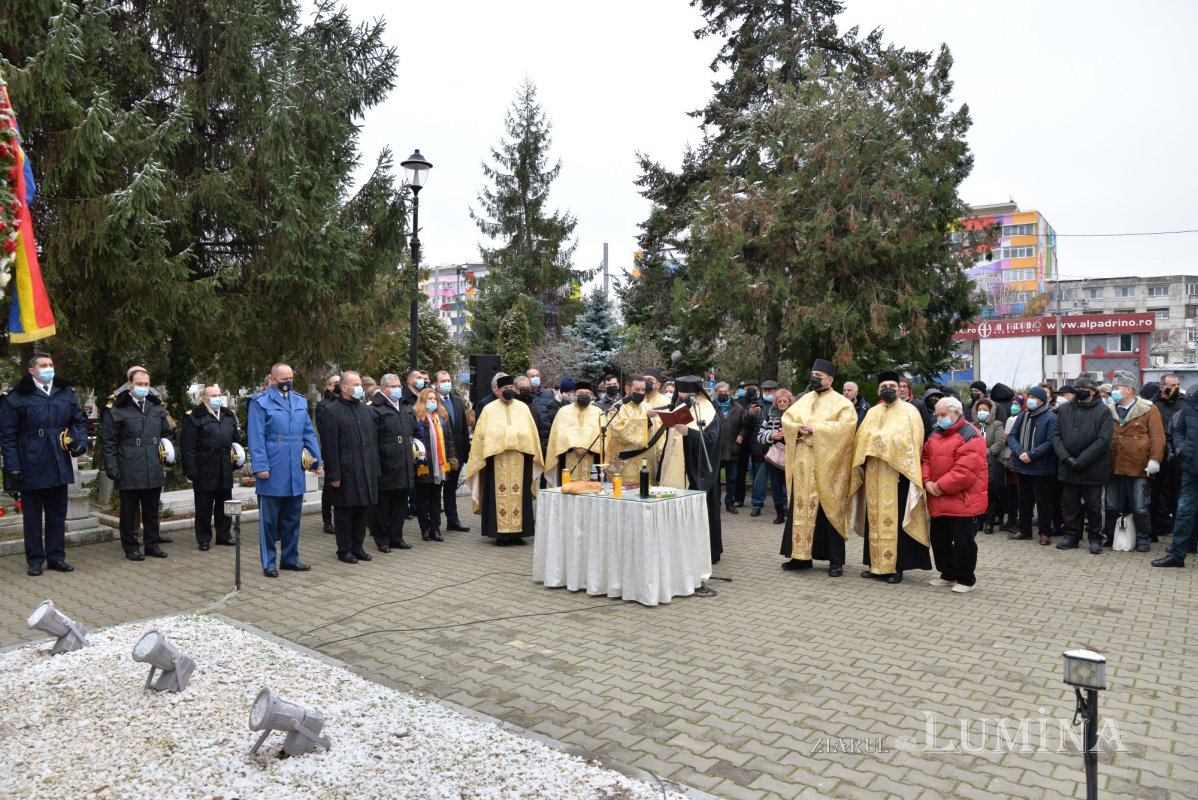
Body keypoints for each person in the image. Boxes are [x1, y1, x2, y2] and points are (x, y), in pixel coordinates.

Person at [0, 352, 89, 576]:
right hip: (31, 461)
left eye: (50, 364)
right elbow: (7, 436)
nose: (49, 368)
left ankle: (56, 557)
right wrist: (12, 466)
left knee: (57, 514)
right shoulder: (17, 397)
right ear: (32, 371)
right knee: (32, 516)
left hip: (58, 459)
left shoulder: (65, 393)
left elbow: (79, 421)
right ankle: (35, 560)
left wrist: (80, 443)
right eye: (43, 365)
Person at [850, 371, 932, 584]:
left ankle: (896, 567)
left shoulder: (910, 411)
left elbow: (913, 442)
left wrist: (881, 442)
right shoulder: (872, 412)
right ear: (878, 390)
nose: (888, 389)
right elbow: (861, 439)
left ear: (899, 389)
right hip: (874, 475)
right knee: (874, 521)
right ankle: (875, 565)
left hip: (898, 476)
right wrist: (873, 443)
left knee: (897, 522)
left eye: (892, 386)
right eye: (883, 386)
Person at [780, 359, 856, 577]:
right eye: (813, 374)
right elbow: (787, 419)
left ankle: (835, 561)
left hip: (827, 470)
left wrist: (816, 428)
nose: (814, 378)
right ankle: (800, 557)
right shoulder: (805, 399)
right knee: (800, 510)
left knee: (829, 512)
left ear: (830, 379)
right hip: (803, 467)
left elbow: (846, 429)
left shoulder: (842, 403)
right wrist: (797, 428)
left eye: (819, 376)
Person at [248, 363, 322, 577]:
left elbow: (308, 432)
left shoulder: (299, 400)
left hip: (294, 467)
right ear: (273, 380)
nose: (288, 382)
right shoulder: (259, 402)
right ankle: (269, 562)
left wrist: (316, 460)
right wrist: (260, 466)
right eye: (283, 379)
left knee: (292, 518)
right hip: (273, 465)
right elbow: (256, 436)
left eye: (290, 378)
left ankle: (290, 559)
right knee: (269, 521)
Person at [102, 368, 175, 561]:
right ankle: (131, 547)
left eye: (146, 384)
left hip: (153, 464)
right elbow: (109, 441)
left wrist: (168, 452)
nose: (143, 387)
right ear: (129, 384)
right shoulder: (117, 408)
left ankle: (152, 544)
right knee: (129, 511)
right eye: (139, 384)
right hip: (129, 465)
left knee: (151, 510)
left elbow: (167, 434)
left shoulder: (155, 406)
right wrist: (112, 466)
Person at [650, 376, 723, 563]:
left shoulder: (707, 410)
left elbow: (711, 440)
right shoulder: (678, 407)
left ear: (696, 393)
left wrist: (689, 432)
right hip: (674, 470)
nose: (682, 398)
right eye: (680, 394)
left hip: (697, 473)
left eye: (686, 395)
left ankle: (702, 552)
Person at [464, 375, 544, 545]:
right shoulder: (489, 409)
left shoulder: (523, 408)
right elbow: (482, 436)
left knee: (520, 495)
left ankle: (518, 534)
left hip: (519, 458)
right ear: (498, 390)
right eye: (505, 388)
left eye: (511, 388)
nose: (509, 391)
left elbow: (531, 433)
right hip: (496, 460)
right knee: (497, 494)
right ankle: (500, 535)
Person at [922, 397, 988, 593]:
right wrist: (927, 481)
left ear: (956, 413)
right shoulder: (936, 434)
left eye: (943, 415)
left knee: (963, 543)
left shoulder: (971, 435)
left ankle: (966, 579)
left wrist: (940, 486)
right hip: (938, 496)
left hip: (963, 499)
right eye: (937, 414)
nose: (938, 418)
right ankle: (948, 574)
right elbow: (925, 458)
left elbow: (965, 471)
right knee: (939, 539)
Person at [317, 371, 380, 563]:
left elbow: (372, 442)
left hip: (365, 469)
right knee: (345, 512)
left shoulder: (366, 410)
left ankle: (357, 547)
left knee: (362, 510)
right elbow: (329, 446)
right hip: (345, 471)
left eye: (361, 384)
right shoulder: (331, 411)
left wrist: (375, 469)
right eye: (356, 384)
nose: (360, 387)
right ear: (344, 388)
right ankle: (344, 550)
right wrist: (334, 475)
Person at [1051, 376, 1113, 553]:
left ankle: (1095, 538)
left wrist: (1082, 460)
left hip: (1093, 468)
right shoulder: (1064, 409)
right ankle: (1071, 536)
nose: (1079, 391)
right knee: (1069, 504)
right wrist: (1066, 458)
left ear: (1092, 391)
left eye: (1083, 389)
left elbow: (1103, 440)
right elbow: (1056, 436)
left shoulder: (1103, 411)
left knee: (1093, 506)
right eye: (1076, 388)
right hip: (1068, 466)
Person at [1104, 371, 1164, 553]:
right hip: (1113, 464)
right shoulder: (1109, 409)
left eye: (1117, 387)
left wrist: (1155, 459)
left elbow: (1158, 437)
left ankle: (1143, 538)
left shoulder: (1148, 409)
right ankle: (1111, 535)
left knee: (1140, 506)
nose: (1114, 391)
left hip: (1138, 465)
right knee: (1111, 505)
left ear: (1129, 389)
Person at [180, 384, 239, 551]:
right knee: (204, 506)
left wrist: (236, 460)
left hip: (224, 465)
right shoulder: (194, 417)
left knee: (224, 503)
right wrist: (191, 469)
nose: (217, 398)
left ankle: (224, 535)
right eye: (213, 395)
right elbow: (187, 447)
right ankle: (204, 538)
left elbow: (235, 440)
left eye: (219, 395)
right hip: (204, 466)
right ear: (205, 398)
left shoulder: (227, 415)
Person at [1153, 382, 1198, 567]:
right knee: (1184, 512)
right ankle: (1177, 555)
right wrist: (1181, 448)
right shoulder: (1191, 404)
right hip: (1192, 469)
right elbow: (1178, 430)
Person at [369, 374, 416, 552]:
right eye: (393, 386)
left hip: (404, 462)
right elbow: (372, 440)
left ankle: (396, 536)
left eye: (398, 386)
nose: (397, 389)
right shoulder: (375, 409)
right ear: (383, 388)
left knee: (400, 504)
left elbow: (413, 431)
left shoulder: (405, 406)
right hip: (386, 463)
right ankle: (382, 539)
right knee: (383, 505)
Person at [1007, 386, 1058, 545]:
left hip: (1042, 467)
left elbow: (1050, 442)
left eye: (1034, 397)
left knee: (1043, 502)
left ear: (1042, 400)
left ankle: (1045, 533)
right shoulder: (1023, 416)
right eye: (1029, 397)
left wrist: (1032, 454)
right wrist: (1020, 452)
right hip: (1022, 465)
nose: (1030, 400)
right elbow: (1012, 436)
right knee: (1024, 500)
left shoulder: (1050, 418)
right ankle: (1024, 530)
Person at [411, 385, 459, 542]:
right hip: (424, 465)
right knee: (422, 499)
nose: (432, 401)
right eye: (429, 399)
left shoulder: (442, 416)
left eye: (434, 399)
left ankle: (436, 528)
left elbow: (449, 439)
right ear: (422, 400)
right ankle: (424, 529)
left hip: (439, 464)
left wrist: (452, 458)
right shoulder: (415, 417)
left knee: (436, 499)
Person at [545, 381, 603, 484]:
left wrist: (587, 448)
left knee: (591, 487)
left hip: (592, 455)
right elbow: (558, 434)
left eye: (587, 393)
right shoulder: (563, 411)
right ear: (574, 394)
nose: (584, 395)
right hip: (568, 455)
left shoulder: (598, 412)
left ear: (591, 395)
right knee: (567, 487)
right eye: (581, 393)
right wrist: (575, 448)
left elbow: (603, 436)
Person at [434, 371, 471, 532]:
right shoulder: (432, 401)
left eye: (448, 380)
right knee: (436, 491)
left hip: (456, 454)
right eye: (443, 381)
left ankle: (453, 520)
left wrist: (465, 451)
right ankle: (434, 524)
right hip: (439, 453)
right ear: (436, 384)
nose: (446, 383)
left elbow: (463, 428)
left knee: (451, 490)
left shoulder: (457, 401)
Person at [607, 376, 660, 487]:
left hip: (646, 462)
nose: (641, 393)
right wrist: (646, 417)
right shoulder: (618, 407)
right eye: (637, 390)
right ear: (627, 389)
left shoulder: (647, 407)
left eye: (643, 390)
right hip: (625, 464)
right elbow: (619, 430)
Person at [1151, 373, 1184, 541]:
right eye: (1172, 385)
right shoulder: (1152, 405)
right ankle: (1156, 527)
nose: (1176, 388)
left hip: (1178, 457)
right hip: (1158, 456)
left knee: (1177, 494)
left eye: (1178, 385)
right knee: (1156, 492)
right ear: (1162, 387)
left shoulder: (1184, 404)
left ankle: (1178, 530)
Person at [753, 388, 793, 523]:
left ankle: (791, 513)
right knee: (776, 486)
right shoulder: (770, 416)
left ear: (790, 402)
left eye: (784, 401)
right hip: (774, 457)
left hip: (791, 456)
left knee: (790, 486)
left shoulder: (795, 416)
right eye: (779, 401)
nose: (782, 403)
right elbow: (759, 436)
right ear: (775, 402)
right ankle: (779, 514)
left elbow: (803, 434)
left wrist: (789, 434)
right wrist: (771, 435)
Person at [970, 398, 1006, 534]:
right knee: (977, 492)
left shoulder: (997, 424)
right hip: (975, 463)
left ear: (991, 411)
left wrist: (987, 452)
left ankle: (989, 522)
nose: (982, 412)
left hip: (992, 462)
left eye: (985, 410)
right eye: (979, 410)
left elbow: (1000, 441)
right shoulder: (972, 426)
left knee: (991, 492)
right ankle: (978, 521)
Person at [713, 381, 746, 513]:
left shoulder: (738, 408)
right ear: (716, 393)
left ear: (730, 392)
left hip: (732, 448)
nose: (723, 394)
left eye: (725, 392)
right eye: (720, 392)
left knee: (732, 478)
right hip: (715, 449)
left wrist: (741, 434)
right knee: (715, 479)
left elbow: (745, 425)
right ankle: (716, 503)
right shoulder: (710, 407)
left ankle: (729, 503)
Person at [316, 373, 341, 535]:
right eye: (335, 382)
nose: (338, 385)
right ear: (329, 386)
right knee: (329, 486)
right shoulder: (323, 405)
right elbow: (324, 430)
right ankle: (327, 520)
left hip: (347, 450)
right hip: (332, 449)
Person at [734, 378, 761, 506]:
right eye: (748, 387)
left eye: (753, 388)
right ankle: (739, 498)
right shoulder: (738, 403)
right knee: (740, 470)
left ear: (757, 389)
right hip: (742, 441)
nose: (751, 390)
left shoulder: (761, 402)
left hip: (758, 441)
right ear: (744, 389)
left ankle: (757, 499)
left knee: (757, 471)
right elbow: (738, 422)